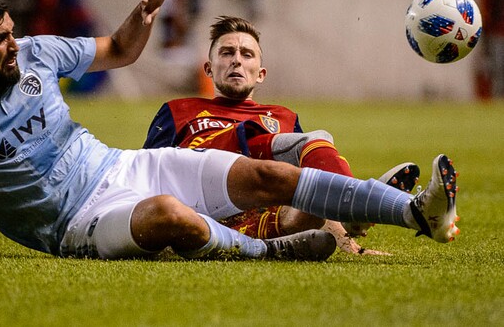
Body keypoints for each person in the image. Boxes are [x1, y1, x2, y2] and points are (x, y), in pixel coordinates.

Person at [0, 0, 460, 262]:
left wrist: (138, 22)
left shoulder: (37, 54)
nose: (15, 45)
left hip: (122, 165)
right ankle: (269, 252)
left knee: (266, 173)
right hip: (75, 223)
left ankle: (417, 213)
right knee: (169, 217)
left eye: (12, 32)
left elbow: (116, 53)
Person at [143, 16, 420, 253]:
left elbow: (311, 183)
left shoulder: (283, 117)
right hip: (200, 207)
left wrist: (353, 249)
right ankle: (360, 201)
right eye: (227, 53)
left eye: (246, 54)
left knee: (309, 209)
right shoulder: (178, 110)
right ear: (208, 68)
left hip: (257, 218)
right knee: (315, 140)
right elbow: (145, 172)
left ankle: (345, 213)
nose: (236, 61)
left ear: (260, 74)